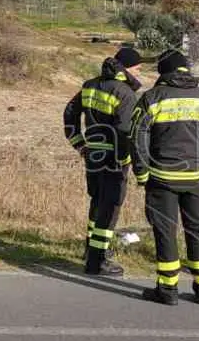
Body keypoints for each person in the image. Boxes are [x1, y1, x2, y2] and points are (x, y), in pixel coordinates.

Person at [131, 50, 199, 305]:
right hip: (195, 179)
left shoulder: (152, 97)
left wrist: (141, 174)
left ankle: (168, 290)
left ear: (163, 72)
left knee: (166, 232)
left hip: (161, 179)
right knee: (198, 230)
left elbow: (138, 139)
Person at [62, 47, 144, 276]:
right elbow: (125, 131)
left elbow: (69, 113)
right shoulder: (125, 93)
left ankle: (91, 250)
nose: (140, 73)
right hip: (114, 159)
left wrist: (79, 143)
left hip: (93, 155)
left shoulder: (90, 85)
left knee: (97, 202)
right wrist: (126, 159)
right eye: (138, 68)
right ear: (127, 68)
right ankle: (99, 260)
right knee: (110, 208)